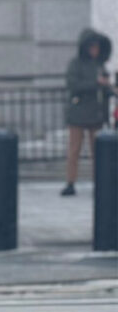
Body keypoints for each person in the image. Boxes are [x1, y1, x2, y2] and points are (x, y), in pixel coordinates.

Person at [61, 28, 113, 196]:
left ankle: (99, 182)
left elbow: (104, 89)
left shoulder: (100, 64)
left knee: (98, 152)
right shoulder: (75, 64)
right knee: (74, 150)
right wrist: (95, 82)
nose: (95, 50)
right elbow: (73, 85)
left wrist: (109, 88)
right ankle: (70, 182)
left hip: (96, 115)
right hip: (77, 114)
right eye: (92, 47)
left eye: (97, 47)